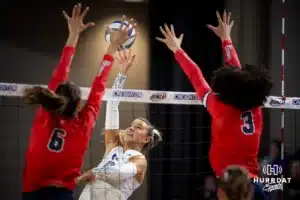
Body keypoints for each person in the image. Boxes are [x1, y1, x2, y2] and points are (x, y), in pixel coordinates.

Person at [21, 4, 135, 200]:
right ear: (79, 105)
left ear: (55, 98)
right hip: (62, 194)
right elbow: (100, 83)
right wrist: (112, 47)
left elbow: (63, 71)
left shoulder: (47, 114)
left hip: (33, 191)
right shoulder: (83, 123)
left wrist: (73, 35)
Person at [156, 11, 273, 199]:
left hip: (231, 186)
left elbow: (196, 76)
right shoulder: (255, 106)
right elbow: (237, 74)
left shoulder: (218, 106)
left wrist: (177, 50)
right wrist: (226, 40)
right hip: (253, 186)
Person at [77, 49, 163, 200]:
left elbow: (118, 175)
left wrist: (94, 173)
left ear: (146, 139)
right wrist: (122, 72)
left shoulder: (139, 160)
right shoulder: (113, 145)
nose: (131, 128)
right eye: (132, 124)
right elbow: (112, 103)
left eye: (139, 127)